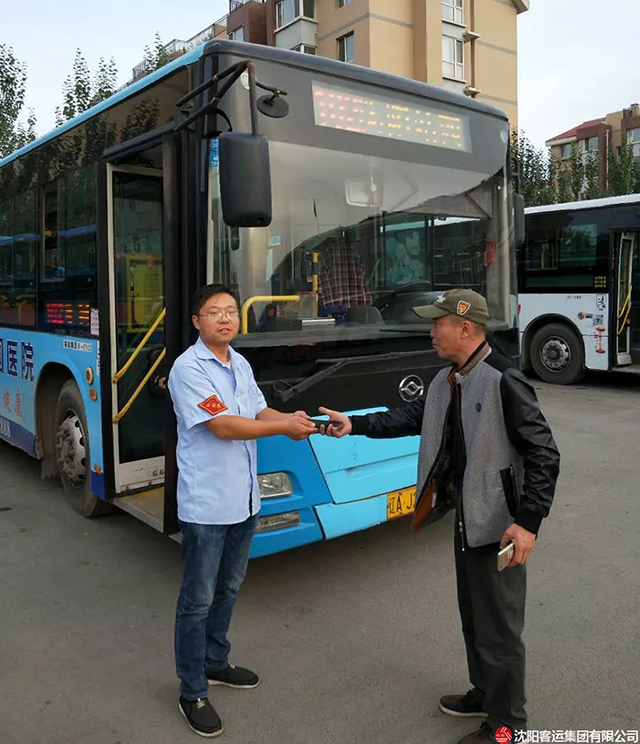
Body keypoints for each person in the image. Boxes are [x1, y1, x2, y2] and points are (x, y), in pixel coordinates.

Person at [319, 288, 560, 744]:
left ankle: (508, 725)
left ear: (465, 328)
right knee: (475, 617)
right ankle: (484, 694)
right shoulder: (450, 378)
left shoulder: (503, 379)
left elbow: (544, 454)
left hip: (499, 527)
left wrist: (528, 523)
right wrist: (356, 424)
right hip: (468, 518)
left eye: (437, 324)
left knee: (500, 629)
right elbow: (411, 417)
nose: (431, 332)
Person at [168, 283, 317, 738]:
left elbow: (257, 410)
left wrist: (293, 420)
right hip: (208, 504)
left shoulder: (240, 363)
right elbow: (223, 426)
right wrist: (283, 428)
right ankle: (192, 690)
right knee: (197, 600)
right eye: (214, 312)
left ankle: (216, 662)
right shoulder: (188, 368)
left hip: (245, 500)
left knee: (228, 588)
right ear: (197, 322)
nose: (225, 318)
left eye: (231, 311)